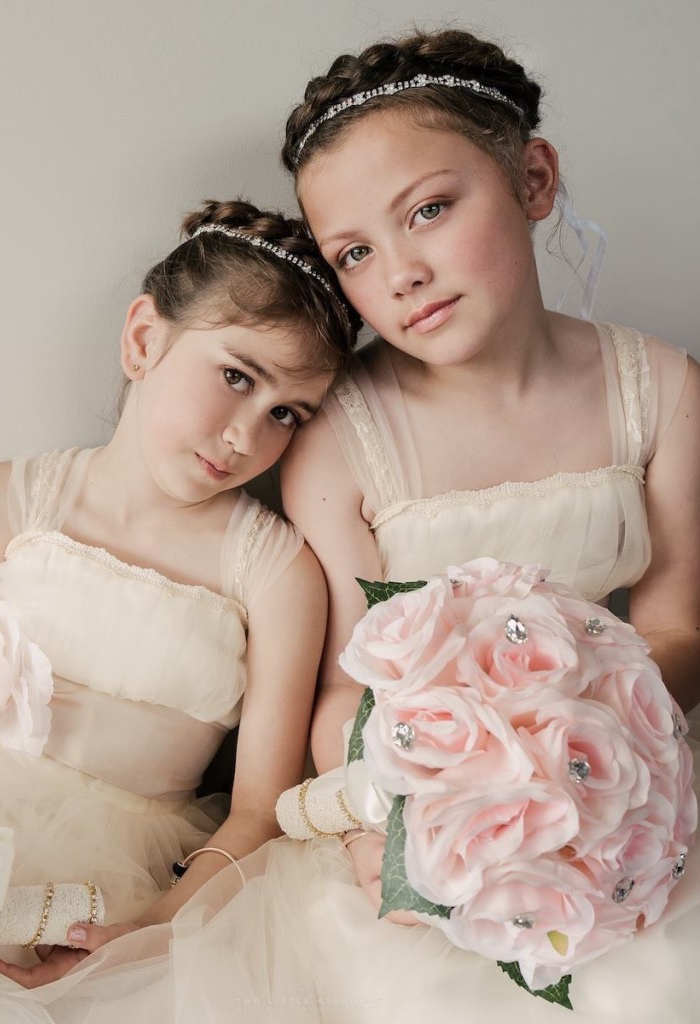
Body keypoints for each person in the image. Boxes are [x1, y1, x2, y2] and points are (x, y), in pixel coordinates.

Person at [163, 28, 700, 1022]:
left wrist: (569, 731)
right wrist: (414, 813)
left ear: (532, 178)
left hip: (619, 768)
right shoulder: (340, 437)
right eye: (355, 253)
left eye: (431, 211)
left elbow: (676, 627)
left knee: (664, 976)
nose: (400, 272)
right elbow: (336, 687)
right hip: (408, 789)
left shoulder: (659, 389)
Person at [0, 199, 358, 1018]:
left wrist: (156, 924)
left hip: (117, 888)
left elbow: (260, 807)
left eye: (284, 415)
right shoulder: (1, 500)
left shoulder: (277, 572)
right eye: (236, 376)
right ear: (144, 339)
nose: (244, 439)